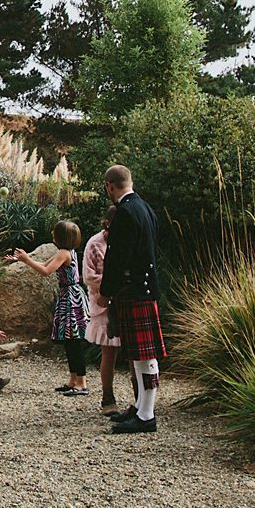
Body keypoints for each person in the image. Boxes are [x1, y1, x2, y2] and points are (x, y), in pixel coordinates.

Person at [101, 164, 164, 434]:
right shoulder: (145, 208)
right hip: (143, 287)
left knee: (145, 353)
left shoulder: (126, 212)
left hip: (134, 288)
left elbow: (117, 258)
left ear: (110, 185)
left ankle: (147, 414)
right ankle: (140, 406)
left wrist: (106, 291)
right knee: (139, 354)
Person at [9, 219, 92, 396]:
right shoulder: (66, 251)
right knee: (70, 341)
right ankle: (73, 380)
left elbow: (46, 271)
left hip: (70, 298)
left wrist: (26, 260)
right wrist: (24, 259)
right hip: (70, 295)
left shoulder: (63, 253)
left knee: (74, 342)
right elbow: (45, 264)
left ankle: (82, 383)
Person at [82, 206, 132, 417]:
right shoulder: (95, 244)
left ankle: (140, 399)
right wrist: (112, 287)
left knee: (133, 352)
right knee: (108, 352)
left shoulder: (128, 241)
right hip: (104, 304)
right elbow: (90, 276)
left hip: (127, 300)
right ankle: (107, 397)